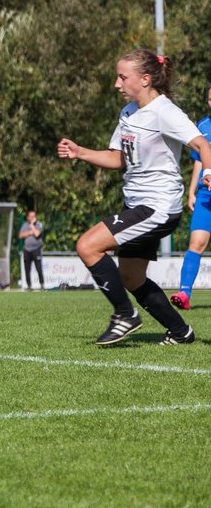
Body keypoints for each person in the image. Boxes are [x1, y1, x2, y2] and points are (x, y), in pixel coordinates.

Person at [56, 49, 211, 346]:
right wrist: (81, 152)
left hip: (158, 207)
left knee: (87, 246)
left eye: (122, 77)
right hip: (138, 205)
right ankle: (181, 332)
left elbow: (203, 145)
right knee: (131, 276)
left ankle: (125, 315)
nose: (117, 83)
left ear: (145, 79)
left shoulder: (165, 112)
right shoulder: (128, 113)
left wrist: (209, 173)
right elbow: (118, 159)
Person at [171, 83, 211, 310]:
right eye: (210, 99)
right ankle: (184, 293)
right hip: (206, 195)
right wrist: (192, 191)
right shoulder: (203, 126)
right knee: (196, 243)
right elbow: (199, 159)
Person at [18, 210, 45, 290]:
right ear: (28, 217)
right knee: (27, 269)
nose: (32, 218)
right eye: (31, 216)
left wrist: (32, 225)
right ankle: (29, 286)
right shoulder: (25, 225)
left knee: (39, 268)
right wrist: (31, 232)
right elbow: (21, 235)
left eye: (34, 216)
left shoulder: (39, 224)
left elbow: (37, 234)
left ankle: (42, 285)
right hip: (27, 250)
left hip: (36, 250)